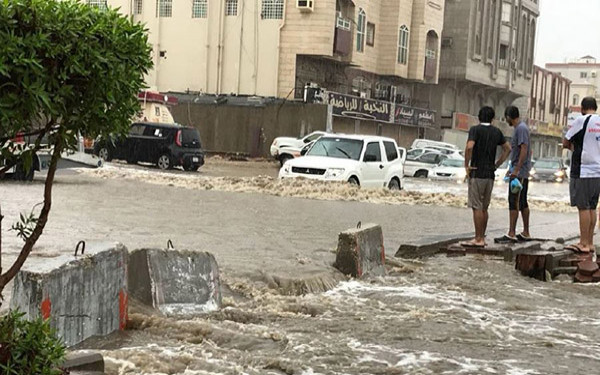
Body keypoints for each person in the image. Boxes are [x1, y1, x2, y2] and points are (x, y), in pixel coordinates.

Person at [462, 106, 511, 248]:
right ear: (492, 119)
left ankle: (478, 239)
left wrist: (467, 165)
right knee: (484, 207)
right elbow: (507, 148)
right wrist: (497, 164)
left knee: (476, 206)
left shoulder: (475, 130)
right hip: (490, 173)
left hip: (477, 172)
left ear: (479, 117)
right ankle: (482, 237)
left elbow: (470, 147)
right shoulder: (497, 132)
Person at [563, 97, 600, 253]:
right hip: (598, 172)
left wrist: (575, 150)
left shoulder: (581, 120)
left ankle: (583, 243)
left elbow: (566, 142)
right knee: (592, 207)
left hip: (583, 170)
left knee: (583, 207)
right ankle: (590, 242)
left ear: (583, 108)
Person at [495, 106, 532, 243]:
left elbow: (524, 149)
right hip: (520, 170)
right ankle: (526, 232)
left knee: (514, 201)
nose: (507, 121)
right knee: (522, 202)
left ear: (509, 117)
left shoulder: (521, 129)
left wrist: (516, 170)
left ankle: (511, 233)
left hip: (520, 173)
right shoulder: (521, 128)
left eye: (506, 118)